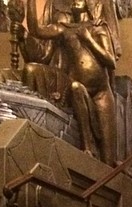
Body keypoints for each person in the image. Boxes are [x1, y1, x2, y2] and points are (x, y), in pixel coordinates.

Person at [25, 0, 119, 165]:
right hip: (77, 86)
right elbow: (36, 30)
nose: (75, 2)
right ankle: (87, 148)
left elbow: (111, 61)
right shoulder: (64, 29)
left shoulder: (98, 27)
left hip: (101, 93)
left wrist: (88, 39)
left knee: (108, 159)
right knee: (76, 88)